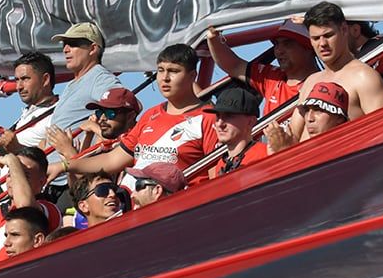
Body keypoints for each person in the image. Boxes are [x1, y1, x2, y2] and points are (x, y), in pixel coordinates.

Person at [59, 44, 216, 181]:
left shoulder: (209, 118)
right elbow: (112, 160)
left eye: (174, 71)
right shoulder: (151, 115)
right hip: (138, 206)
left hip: (180, 208)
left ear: (192, 76)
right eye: (161, 70)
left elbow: (215, 177)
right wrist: (63, 166)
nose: (165, 78)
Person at [289, 2, 383, 140]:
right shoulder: (310, 82)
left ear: (344, 29)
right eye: (316, 38)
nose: (322, 44)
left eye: (328, 35)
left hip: (351, 158)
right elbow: (293, 138)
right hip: (311, 160)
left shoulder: (364, 77)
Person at [206, 20, 315, 113]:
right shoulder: (271, 77)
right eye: (276, 44)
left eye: (288, 44)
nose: (278, 50)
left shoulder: (324, 83)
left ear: (309, 48)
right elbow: (233, 66)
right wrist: (213, 38)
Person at [48, 22, 123, 140]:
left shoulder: (99, 78)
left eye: (73, 44)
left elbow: (127, 106)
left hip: (75, 157)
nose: (66, 49)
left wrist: (95, 128)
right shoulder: (74, 83)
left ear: (93, 49)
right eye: (64, 44)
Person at [268, 81, 350, 153]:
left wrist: (283, 151)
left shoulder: (348, 151)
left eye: (318, 110)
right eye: (307, 110)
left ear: (340, 118)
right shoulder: (310, 151)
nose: (309, 118)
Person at [204, 85, 267, 178]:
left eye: (229, 116)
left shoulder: (265, 155)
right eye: (218, 116)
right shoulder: (221, 163)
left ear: (250, 122)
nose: (220, 124)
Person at [1, 52, 60, 151]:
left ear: (45, 79)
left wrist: (17, 148)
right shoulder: (23, 117)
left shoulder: (59, 112)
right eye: (16, 80)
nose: (18, 86)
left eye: (25, 79)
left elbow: (56, 157)